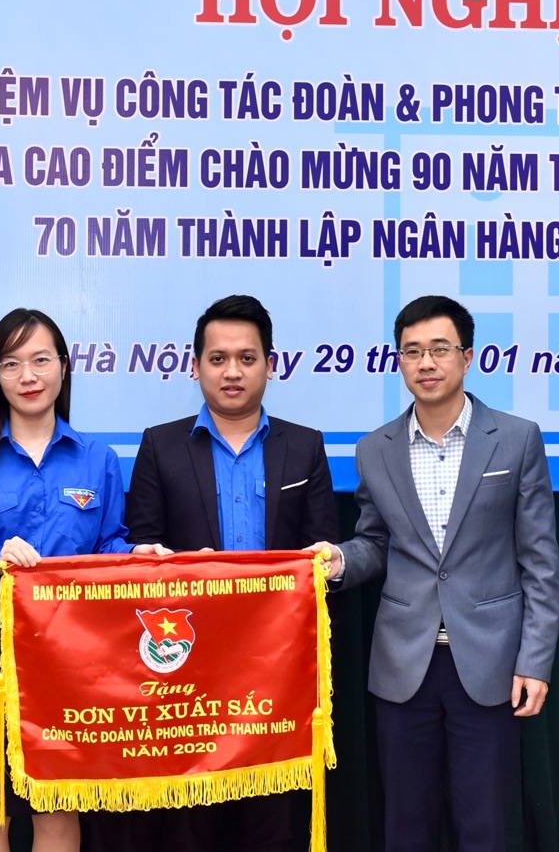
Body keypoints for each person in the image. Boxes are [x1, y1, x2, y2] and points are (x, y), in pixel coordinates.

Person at [305, 295, 559, 852]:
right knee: (405, 827)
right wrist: (339, 560)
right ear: (398, 361)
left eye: (440, 349)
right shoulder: (374, 449)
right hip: (403, 666)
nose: (426, 363)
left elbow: (540, 563)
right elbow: (376, 542)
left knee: (483, 827)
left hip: (490, 664)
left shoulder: (516, 439)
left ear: (467, 357)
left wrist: (534, 661)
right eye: (412, 351)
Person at [0, 308, 170, 852]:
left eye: (40, 360)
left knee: (57, 806)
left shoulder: (97, 459)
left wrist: (134, 555)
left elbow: (106, 544)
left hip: (70, 650)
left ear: (63, 367)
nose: (28, 376)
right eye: (11, 364)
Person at [118, 294, 339, 852]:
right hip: (187, 673)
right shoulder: (160, 445)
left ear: (270, 364)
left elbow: (324, 556)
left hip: (277, 672)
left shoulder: (305, 446)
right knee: (191, 823)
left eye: (246, 358)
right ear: (195, 367)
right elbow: (139, 550)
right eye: (217, 359)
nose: (232, 372)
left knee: (272, 823)